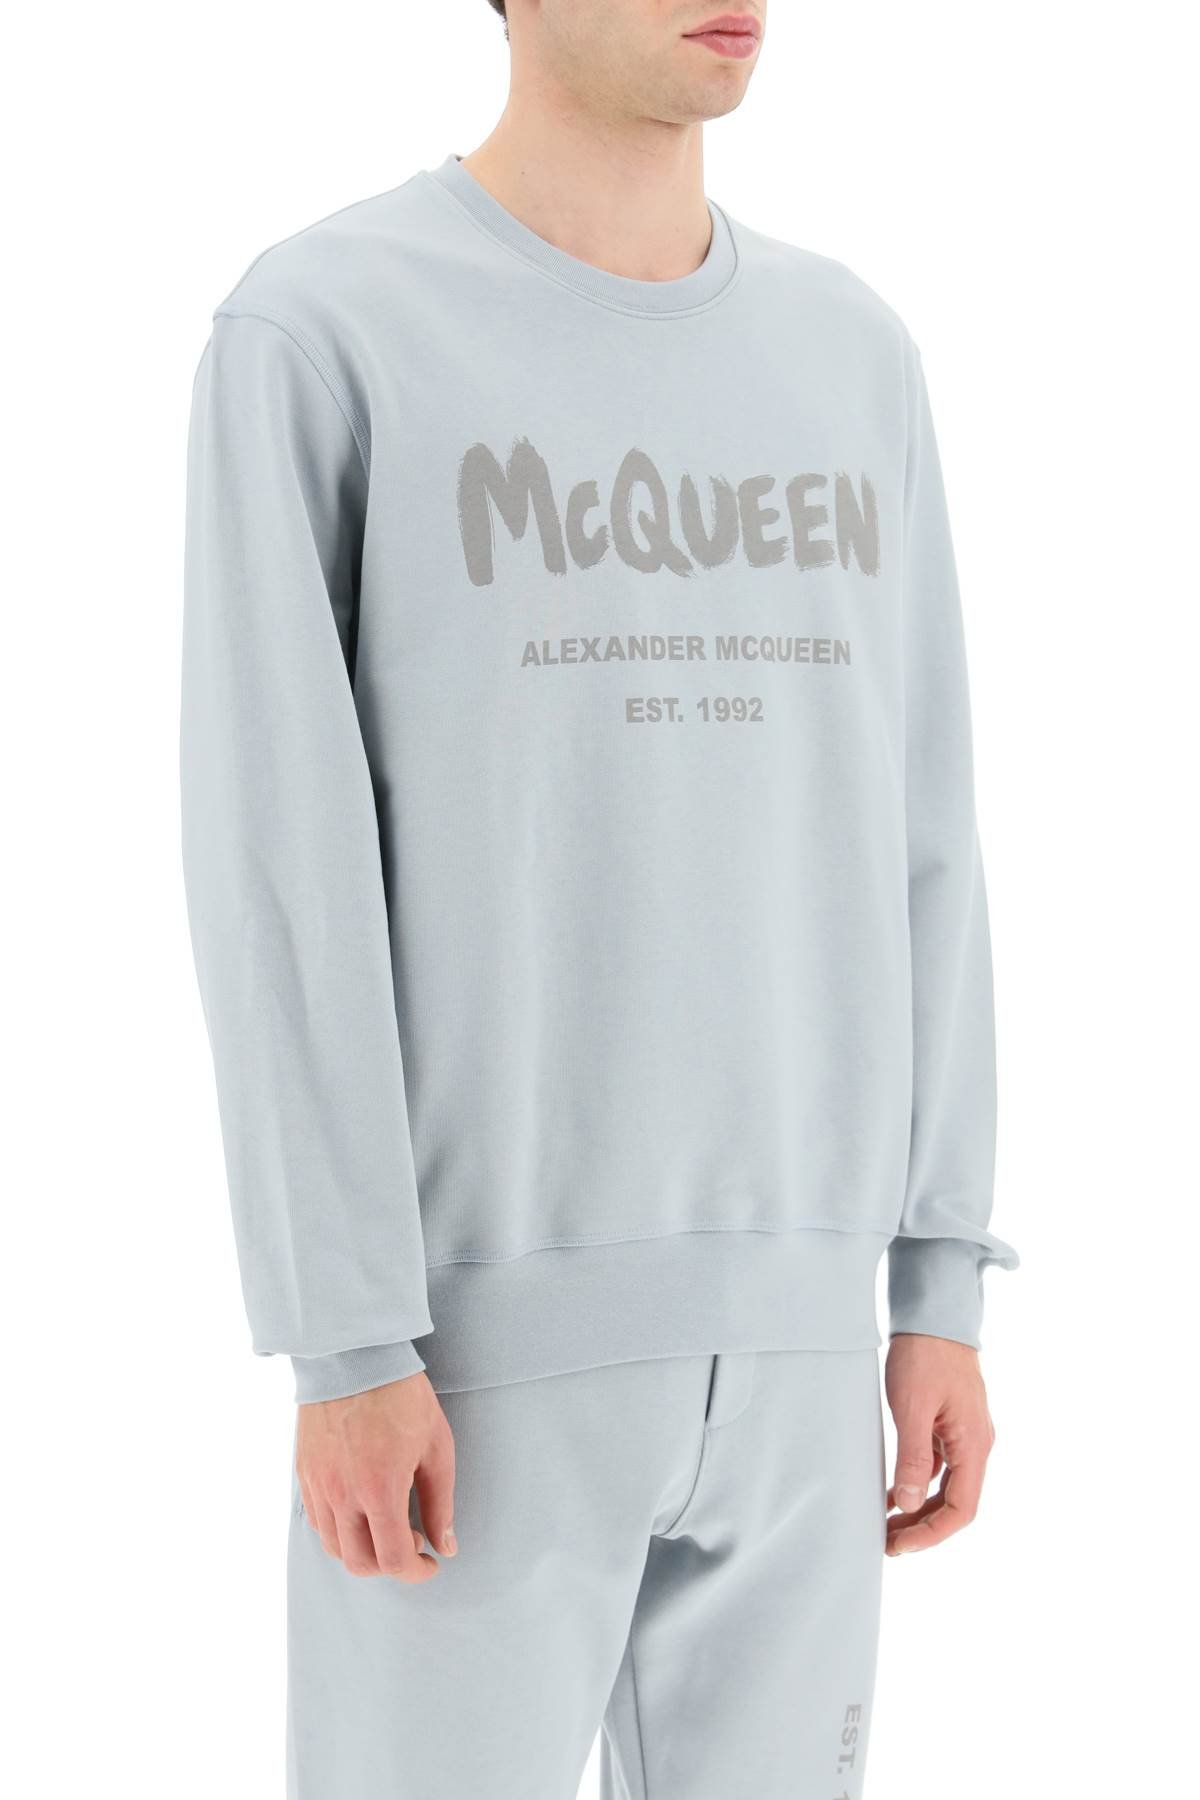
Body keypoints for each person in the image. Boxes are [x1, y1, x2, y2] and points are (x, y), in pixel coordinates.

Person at [181, 2, 1017, 1793]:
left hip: (808, 1351)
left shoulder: (854, 353)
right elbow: (279, 868)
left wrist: (937, 1282)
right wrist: (345, 1337)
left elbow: (924, 829)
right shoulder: (326, 329)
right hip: (467, 1370)